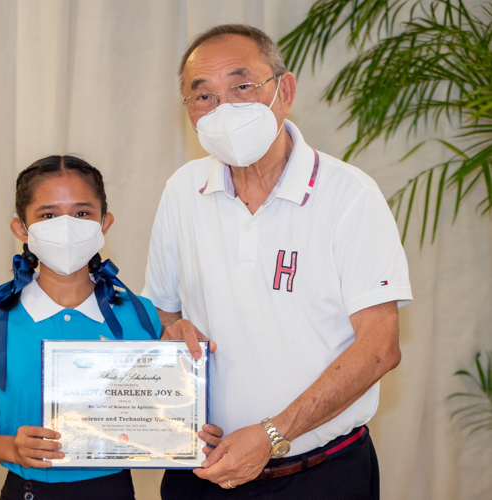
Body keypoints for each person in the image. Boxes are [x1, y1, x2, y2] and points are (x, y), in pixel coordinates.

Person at [142, 24, 412, 499]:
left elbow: (380, 348)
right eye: (203, 96)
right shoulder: (183, 190)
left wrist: (270, 435)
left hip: (319, 475)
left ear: (283, 91)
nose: (224, 109)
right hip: (202, 473)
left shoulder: (349, 196)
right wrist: (170, 330)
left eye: (242, 86)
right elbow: (164, 311)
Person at [0, 155, 161, 500]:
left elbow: (164, 411)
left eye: (82, 213)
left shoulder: (138, 314)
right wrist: (11, 448)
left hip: (115, 489)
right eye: (48, 215)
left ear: (105, 223)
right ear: (21, 229)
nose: (67, 226)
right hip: (28, 490)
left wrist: (190, 430)